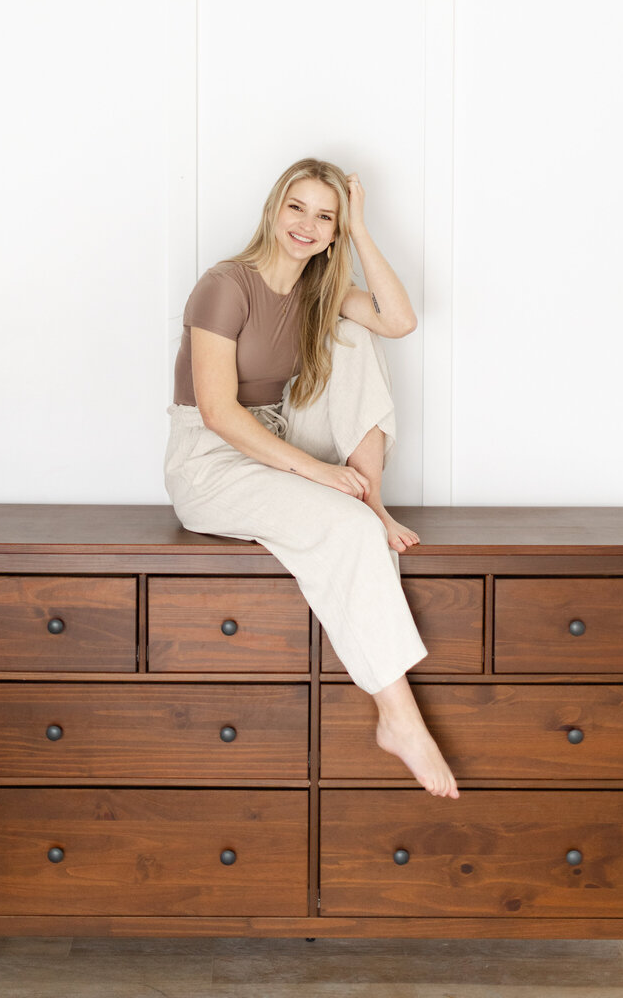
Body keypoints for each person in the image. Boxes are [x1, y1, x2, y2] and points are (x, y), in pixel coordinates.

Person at [164, 157, 459, 799]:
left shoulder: (315, 292)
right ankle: (400, 718)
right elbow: (217, 413)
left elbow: (399, 320)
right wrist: (320, 472)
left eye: (324, 216)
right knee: (346, 529)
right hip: (212, 460)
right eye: (297, 207)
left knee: (355, 337)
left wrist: (359, 230)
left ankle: (372, 500)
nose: (307, 224)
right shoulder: (224, 284)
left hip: (279, 437)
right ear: (274, 209)